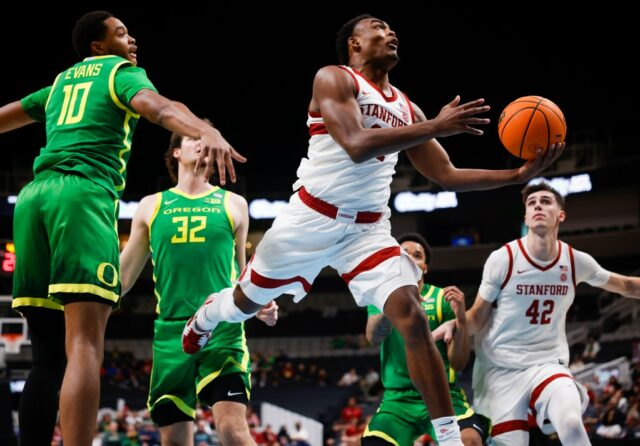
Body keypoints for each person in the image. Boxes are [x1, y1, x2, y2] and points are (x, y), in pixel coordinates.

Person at [182, 14, 563, 445]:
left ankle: (448, 437)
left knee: (412, 317)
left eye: (392, 27)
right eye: (379, 27)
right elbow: (356, 144)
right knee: (245, 302)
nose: (392, 31)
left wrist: (516, 175)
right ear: (355, 45)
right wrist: (436, 125)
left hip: (366, 231)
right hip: (309, 218)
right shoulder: (333, 78)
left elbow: (448, 174)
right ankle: (210, 313)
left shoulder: (407, 107)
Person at [0, 10, 244, 446]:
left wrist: (193, 121)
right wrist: (207, 132)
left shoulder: (60, 83)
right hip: (80, 196)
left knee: (47, 357)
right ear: (98, 46)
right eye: (120, 33)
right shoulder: (120, 73)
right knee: (84, 347)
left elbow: (6, 117)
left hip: (32, 198)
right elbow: (160, 109)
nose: (131, 40)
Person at [434, 181, 640, 445]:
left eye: (545, 201)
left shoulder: (575, 261)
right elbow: (477, 317)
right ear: (526, 217)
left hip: (547, 363)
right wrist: (457, 323)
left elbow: (624, 285)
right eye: (531, 203)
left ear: (560, 215)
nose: (538, 206)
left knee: (570, 423)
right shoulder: (503, 258)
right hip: (500, 369)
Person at [119, 125, 277, 445]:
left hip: (222, 328)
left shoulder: (234, 204)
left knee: (232, 429)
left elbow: (242, 271)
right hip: (171, 335)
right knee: (175, 439)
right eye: (194, 138)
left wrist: (259, 301)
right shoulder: (150, 205)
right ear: (176, 152)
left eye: (208, 140)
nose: (203, 145)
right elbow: (121, 278)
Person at [362, 233, 490, 446]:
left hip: (441, 393)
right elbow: (373, 338)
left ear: (425, 267)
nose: (410, 258)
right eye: (404, 254)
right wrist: (393, 304)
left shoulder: (443, 298)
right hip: (397, 399)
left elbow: (458, 363)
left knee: (470, 441)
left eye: (417, 255)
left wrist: (460, 319)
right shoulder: (379, 296)